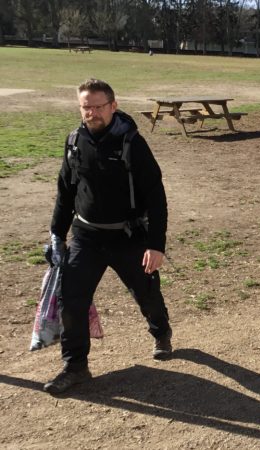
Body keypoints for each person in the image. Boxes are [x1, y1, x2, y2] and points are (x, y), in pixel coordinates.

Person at [43, 79, 172, 394]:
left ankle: (161, 332)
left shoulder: (132, 143)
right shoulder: (75, 141)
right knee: (71, 299)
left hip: (128, 236)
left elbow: (156, 196)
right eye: (85, 107)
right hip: (86, 236)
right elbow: (65, 191)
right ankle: (76, 366)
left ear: (113, 106)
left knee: (146, 293)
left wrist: (156, 245)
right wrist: (57, 235)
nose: (91, 113)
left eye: (98, 106)